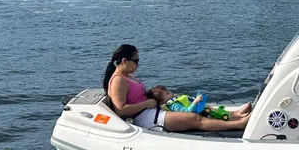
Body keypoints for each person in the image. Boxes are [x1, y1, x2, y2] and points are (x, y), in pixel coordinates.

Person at [102, 44, 250, 132]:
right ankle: (238, 124)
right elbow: (120, 109)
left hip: (152, 109)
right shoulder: (118, 81)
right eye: (136, 61)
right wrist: (146, 104)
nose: (138, 64)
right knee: (194, 118)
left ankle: (235, 114)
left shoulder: (128, 75)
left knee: (196, 105)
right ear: (124, 61)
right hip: (145, 117)